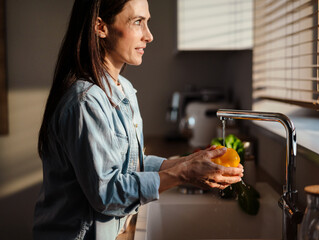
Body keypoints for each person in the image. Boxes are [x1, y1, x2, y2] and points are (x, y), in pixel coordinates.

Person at [33, 0, 244, 239]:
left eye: (147, 22)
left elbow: (130, 163)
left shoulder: (124, 89)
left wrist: (188, 163)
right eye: (137, 22)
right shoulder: (86, 102)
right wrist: (183, 173)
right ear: (100, 27)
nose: (149, 36)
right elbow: (106, 194)